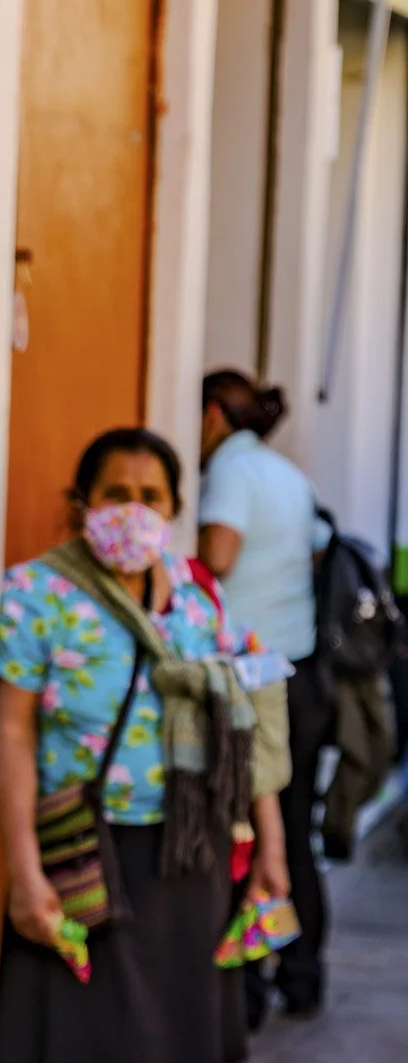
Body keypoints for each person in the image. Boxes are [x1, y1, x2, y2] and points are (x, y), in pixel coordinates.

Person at [0, 426, 290, 1063]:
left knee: (179, 1049)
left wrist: (268, 850)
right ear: (82, 502)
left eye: (150, 497)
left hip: (193, 851)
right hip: (96, 850)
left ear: (173, 509)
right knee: (125, 1045)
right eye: (113, 493)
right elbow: (11, 734)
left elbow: (246, 724)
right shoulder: (35, 594)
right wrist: (21, 867)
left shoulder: (194, 598)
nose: (132, 511)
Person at [199, 368, 326, 1017]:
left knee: (242, 830)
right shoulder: (287, 475)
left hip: (246, 679)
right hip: (297, 668)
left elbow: (218, 556)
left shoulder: (226, 470)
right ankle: (300, 973)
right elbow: (314, 550)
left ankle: (243, 989)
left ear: (213, 415)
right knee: (291, 825)